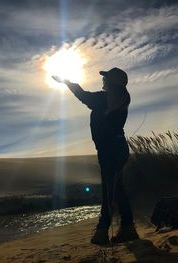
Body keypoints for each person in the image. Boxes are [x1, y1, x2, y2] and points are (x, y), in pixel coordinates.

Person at [52, 67, 139, 244]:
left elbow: (83, 96)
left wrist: (67, 82)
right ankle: (128, 228)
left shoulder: (104, 98)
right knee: (117, 189)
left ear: (112, 82)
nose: (103, 80)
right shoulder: (121, 98)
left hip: (109, 150)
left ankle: (102, 231)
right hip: (118, 147)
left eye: (106, 78)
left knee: (110, 190)